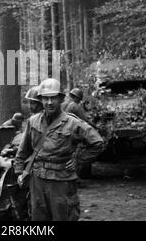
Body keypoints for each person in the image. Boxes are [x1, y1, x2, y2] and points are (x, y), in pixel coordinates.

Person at [14, 78, 104, 221]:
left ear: (61, 99)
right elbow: (23, 150)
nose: (49, 102)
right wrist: (20, 172)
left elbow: (97, 143)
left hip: (61, 180)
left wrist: (78, 160)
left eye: (53, 98)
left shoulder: (72, 122)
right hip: (37, 180)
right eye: (46, 98)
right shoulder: (33, 121)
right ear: (41, 100)